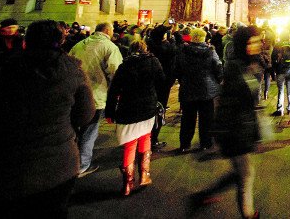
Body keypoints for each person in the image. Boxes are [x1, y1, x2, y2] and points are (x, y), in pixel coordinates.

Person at [0, 20, 95, 215]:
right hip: (58, 168)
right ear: (61, 41)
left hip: (2, 166)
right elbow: (84, 116)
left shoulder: (1, 71)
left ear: (26, 41)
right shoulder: (74, 72)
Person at [191, 26, 262, 219]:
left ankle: (206, 194)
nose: (256, 45)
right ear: (242, 44)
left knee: (239, 173)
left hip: (244, 128)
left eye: (257, 41)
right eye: (251, 42)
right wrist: (222, 131)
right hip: (234, 130)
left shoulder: (251, 65)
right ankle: (247, 214)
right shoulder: (235, 67)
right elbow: (226, 103)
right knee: (246, 174)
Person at [105, 40, 165, 196]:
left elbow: (114, 90)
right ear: (146, 49)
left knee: (130, 144)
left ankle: (127, 183)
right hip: (147, 106)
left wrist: (110, 111)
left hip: (128, 107)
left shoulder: (125, 66)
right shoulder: (153, 61)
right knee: (146, 138)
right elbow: (162, 81)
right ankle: (144, 175)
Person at [69, 22, 123, 176]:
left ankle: (71, 161)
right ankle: (82, 165)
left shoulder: (79, 45)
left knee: (75, 129)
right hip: (96, 95)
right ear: (107, 30)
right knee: (90, 131)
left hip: (75, 93)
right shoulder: (110, 47)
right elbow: (116, 72)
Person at [174, 27, 223, 153]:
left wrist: (182, 79)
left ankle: (184, 144)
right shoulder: (210, 51)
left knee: (187, 118)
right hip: (206, 89)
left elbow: (177, 68)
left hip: (188, 87)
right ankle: (205, 143)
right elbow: (218, 67)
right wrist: (217, 80)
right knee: (206, 119)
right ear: (203, 38)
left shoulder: (183, 50)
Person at [271, 33, 290, 116]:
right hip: (289, 69)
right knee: (289, 89)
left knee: (281, 90)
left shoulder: (278, 45)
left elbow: (273, 57)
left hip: (280, 70)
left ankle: (280, 109)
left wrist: (275, 69)